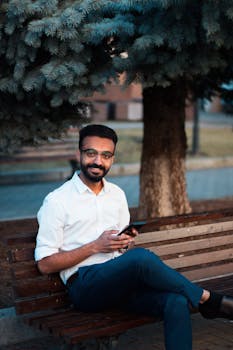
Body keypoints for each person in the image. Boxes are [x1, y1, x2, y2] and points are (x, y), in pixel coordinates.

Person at [35, 124, 233, 350]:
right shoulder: (57, 200)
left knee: (175, 301)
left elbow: (123, 252)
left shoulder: (117, 195)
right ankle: (209, 300)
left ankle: (206, 302)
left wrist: (123, 245)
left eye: (105, 155)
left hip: (122, 285)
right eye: (91, 153)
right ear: (78, 154)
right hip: (85, 288)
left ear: (112, 159)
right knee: (140, 258)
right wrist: (95, 247)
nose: (98, 161)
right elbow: (44, 264)